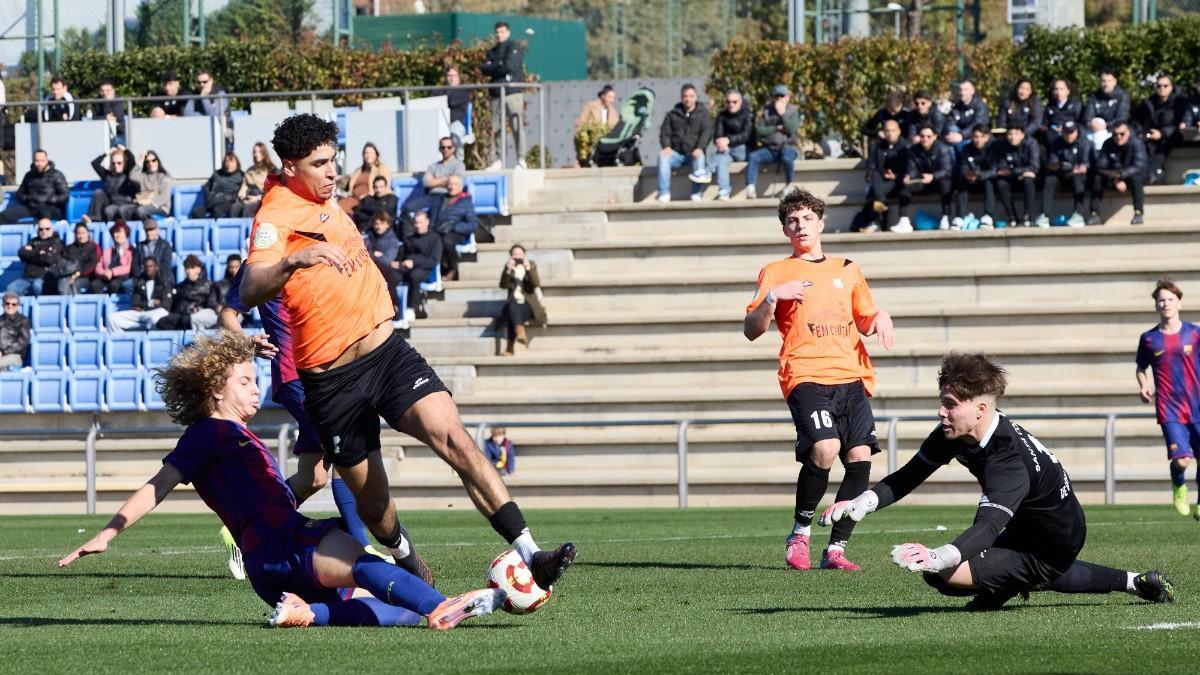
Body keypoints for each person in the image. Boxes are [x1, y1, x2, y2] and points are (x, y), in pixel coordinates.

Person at [238, 114, 575, 590]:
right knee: (376, 509)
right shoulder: (274, 215)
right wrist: (293, 260)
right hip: (331, 383)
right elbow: (251, 287)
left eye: (335, 160)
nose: (333, 172)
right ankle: (405, 555)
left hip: (387, 354)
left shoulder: (325, 196)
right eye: (320, 164)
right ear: (290, 167)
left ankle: (531, 552)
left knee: (455, 439)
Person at [58, 330, 504, 630]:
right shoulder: (209, 433)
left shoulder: (233, 435)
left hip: (265, 569)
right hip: (286, 542)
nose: (257, 389)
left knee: (394, 609)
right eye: (246, 381)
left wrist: (242, 345)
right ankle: (442, 607)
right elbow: (160, 483)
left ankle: (307, 612)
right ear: (216, 391)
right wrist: (109, 531)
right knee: (372, 565)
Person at [819, 352, 1176, 611]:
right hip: (1029, 522)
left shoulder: (1008, 459)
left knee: (943, 574)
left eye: (950, 403)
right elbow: (910, 475)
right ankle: (1136, 582)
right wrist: (861, 504)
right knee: (978, 567)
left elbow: (988, 527)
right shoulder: (955, 431)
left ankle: (1006, 584)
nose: (942, 411)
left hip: (1055, 538)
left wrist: (936, 556)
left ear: (980, 409)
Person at [743, 187, 894, 572]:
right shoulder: (776, 272)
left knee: (860, 458)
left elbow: (864, 319)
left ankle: (836, 550)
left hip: (852, 375)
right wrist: (772, 298)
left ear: (821, 223)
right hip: (806, 374)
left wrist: (880, 318)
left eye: (807, 218)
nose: (800, 225)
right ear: (784, 230)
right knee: (826, 449)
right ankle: (800, 534)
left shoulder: (847, 268)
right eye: (792, 220)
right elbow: (751, 329)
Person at [218, 258, 390, 582]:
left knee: (313, 477)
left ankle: (243, 532)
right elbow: (227, 313)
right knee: (345, 450)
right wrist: (246, 343)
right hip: (296, 375)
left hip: (328, 374)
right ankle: (363, 548)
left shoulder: (322, 258)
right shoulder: (260, 264)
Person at [1135, 279, 1200, 519]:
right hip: (1169, 407)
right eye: (1161, 300)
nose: (1166, 304)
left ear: (1179, 303)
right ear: (1156, 305)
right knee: (1182, 460)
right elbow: (1141, 368)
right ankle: (1179, 484)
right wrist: (1144, 386)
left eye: (1170, 299)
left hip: (1197, 404)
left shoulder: (1194, 333)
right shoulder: (1150, 338)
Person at [657, 83, 713, 203]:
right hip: (676, 154)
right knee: (663, 156)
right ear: (681, 97)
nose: (688, 99)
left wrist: (700, 148)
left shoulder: (703, 114)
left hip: (693, 154)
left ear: (696, 97)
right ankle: (664, 193)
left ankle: (696, 193)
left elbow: (707, 133)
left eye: (691, 96)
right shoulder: (672, 114)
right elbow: (665, 132)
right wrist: (666, 146)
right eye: (685, 96)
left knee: (700, 157)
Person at [482, 21, 527, 170]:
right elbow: (485, 68)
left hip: (512, 93)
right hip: (496, 93)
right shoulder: (492, 51)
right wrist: (499, 65)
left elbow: (510, 65)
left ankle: (521, 159)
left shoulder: (514, 47)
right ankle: (499, 159)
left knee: (516, 125)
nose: (499, 35)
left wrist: (496, 66)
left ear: (508, 32)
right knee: (497, 128)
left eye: (502, 32)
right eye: (497, 32)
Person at [746, 85, 800, 201]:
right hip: (770, 148)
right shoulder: (767, 111)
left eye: (782, 96)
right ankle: (750, 187)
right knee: (753, 156)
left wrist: (782, 114)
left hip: (788, 147)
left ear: (787, 97)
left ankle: (790, 185)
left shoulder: (793, 111)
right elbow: (760, 131)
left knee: (787, 158)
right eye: (776, 96)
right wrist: (776, 128)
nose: (779, 98)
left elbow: (791, 129)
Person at [896, 124, 954, 232]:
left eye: (928, 136)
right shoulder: (913, 151)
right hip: (921, 181)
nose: (925, 139)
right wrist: (909, 176)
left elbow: (947, 170)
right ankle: (903, 220)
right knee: (905, 186)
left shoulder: (942, 149)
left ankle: (945, 217)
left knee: (946, 183)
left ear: (935, 136)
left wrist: (933, 176)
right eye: (922, 136)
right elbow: (911, 168)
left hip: (937, 181)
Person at [1089, 120, 1147, 225]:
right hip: (1114, 176)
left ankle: (1138, 212)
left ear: (1128, 132)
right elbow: (1101, 166)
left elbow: (1138, 166)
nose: (1118, 137)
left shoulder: (1137, 143)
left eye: (1122, 134)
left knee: (1136, 178)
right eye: (1115, 134)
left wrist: (1121, 176)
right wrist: (1115, 179)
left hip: (1131, 175)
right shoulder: (1108, 143)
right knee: (1097, 178)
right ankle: (1094, 214)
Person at [496, 244, 546, 356]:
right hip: (514, 304)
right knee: (512, 307)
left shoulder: (531, 265)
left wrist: (528, 268)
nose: (517, 257)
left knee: (512, 309)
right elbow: (503, 285)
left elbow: (535, 283)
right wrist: (508, 271)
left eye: (519, 254)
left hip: (528, 305)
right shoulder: (509, 267)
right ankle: (520, 332)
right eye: (514, 254)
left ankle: (510, 347)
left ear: (524, 255)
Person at [1134, 75, 1185, 185]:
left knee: (1161, 147)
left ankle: (1155, 174)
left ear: (1171, 87)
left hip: (1171, 136)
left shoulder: (1179, 102)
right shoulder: (1149, 103)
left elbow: (1180, 124)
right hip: (1150, 136)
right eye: (1158, 85)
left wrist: (1162, 134)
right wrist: (1140, 132)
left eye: (1165, 85)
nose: (1162, 88)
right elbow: (1137, 121)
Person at [859, 118, 907, 232]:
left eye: (893, 130)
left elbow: (909, 168)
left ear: (898, 131)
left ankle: (876, 222)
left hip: (897, 182)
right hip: (880, 181)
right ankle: (879, 218)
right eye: (887, 131)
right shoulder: (878, 146)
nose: (890, 134)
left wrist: (895, 176)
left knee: (874, 193)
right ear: (883, 132)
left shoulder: (905, 147)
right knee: (875, 178)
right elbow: (871, 165)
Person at [402, 137, 465, 223]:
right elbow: (426, 182)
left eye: (449, 147)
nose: (446, 150)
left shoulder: (459, 165)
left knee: (435, 214)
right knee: (407, 208)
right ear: (439, 149)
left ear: (453, 149)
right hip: (431, 196)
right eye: (443, 147)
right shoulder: (433, 166)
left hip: (447, 197)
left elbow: (456, 183)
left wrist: (435, 181)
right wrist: (446, 180)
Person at [991, 125, 1041, 228]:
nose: (1012, 137)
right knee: (1001, 184)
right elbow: (1001, 168)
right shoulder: (1002, 146)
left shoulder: (1031, 144)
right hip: (1012, 177)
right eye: (1010, 134)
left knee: (1028, 180)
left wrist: (1015, 171)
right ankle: (1012, 217)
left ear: (1022, 134)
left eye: (1016, 134)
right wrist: (1017, 172)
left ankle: (1028, 216)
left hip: (1029, 178)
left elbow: (1034, 167)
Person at [1042, 120, 1089, 227]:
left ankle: (1078, 214)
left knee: (1079, 178)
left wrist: (1074, 169)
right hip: (1062, 175)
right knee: (1050, 179)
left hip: (1078, 176)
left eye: (1071, 132)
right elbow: (1053, 163)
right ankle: (1045, 215)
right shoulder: (1056, 143)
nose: (1068, 135)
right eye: (1066, 132)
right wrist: (1058, 166)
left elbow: (1084, 166)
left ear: (1076, 132)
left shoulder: (1084, 143)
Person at [0, 149, 68, 223]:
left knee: (44, 215)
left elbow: (65, 195)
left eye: (42, 161)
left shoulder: (57, 175)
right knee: (4, 215)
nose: (39, 164)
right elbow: (20, 193)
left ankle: (45, 233)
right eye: (37, 161)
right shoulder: (29, 175)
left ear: (47, 161)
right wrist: (28, 199)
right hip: (31, 207)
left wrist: (49, 199)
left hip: (50, 207)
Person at [952, 125, 998, 230]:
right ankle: (959, 217)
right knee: (962, 184)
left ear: (987, 137)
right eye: (975, 137)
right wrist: (967, 174)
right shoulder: (966, 149)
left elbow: (995, 169)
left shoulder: (994, 148)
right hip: (972, 180)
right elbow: (963, 166)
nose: (978, 140)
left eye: (981, 137)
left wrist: (980, 175)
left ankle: (988, 215)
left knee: (989, 182)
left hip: (987, 179)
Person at [433, 174, 478, 281]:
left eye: (455, 184)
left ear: (461, 187)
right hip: (438, 230)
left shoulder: (466, 202)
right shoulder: (440, 199)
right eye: (450, 184)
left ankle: (452, 268)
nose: (452, 187)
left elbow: (473, 224)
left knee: (447, 241)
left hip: (456, 233)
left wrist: (454, 227)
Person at [399, 210, 442, 322]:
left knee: (415, 276)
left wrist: (414, 262)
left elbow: (433, 261)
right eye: (416, 223)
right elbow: (403, 255)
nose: (418, 226)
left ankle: (412, 308)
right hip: (408, 267)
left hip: (426, 268)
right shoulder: (410, 239)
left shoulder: (435, 239)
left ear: (427, 222)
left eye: (421, 222)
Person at [109, 256, 173, 330]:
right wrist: (151, 303)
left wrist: (146, 305)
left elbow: (166, 304)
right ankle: (123, 340)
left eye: (151, 266)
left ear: (156, 267)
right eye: (146, 266)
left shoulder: (165, 281)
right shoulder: (139, 281)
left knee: (155, 318)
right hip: (141, 312)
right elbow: (135, 302)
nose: (148, 269)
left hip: (156, 312)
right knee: (112, 318)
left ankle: (150, 340)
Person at [155, 255, 218, 331]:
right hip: (179, 317)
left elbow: (211, 304)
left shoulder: (209, 286)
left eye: (191, 268)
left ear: (198, 269)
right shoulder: (180, 286)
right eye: (186, 268)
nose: (188, 271)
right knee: (161, 322)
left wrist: (198, 309)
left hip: (194, 317)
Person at [711, 89, 753, 201]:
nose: (731, 104)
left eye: (735, 102)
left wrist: (728, 140)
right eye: (728, 102)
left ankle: (707, 170)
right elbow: (717, 136)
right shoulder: (722, 115)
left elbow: (746, 136)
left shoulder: (747, 115)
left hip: (744, 151)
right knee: (721, 159)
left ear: (740, 101)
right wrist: (721, 143)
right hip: (726, 151)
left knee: (725, 152)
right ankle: (724, 191)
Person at [6, 218, 63, 297]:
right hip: (27, 278)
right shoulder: (33, 241)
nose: (44, 231)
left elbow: (48, 259)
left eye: (47, 229)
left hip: (43, 278)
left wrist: (31, 254)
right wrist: (38, 253)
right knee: (11, 290)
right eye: (41, 229)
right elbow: (21, 253)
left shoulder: (56, 242)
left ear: (51, 229)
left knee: (37, 286)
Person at [364, 211, 403, 320]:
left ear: (387, 225)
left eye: (381, 223)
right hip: (372, 270)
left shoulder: (392, 240)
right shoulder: (369, 237)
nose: (378, 227)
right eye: (376, 224)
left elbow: (388, 260)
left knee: (388, 278)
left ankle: (394, 306)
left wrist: (375, 255)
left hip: (389, 272)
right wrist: (377, 255)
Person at [85, 146, 138, 223]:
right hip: (112, 203)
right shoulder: (107, 175)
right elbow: (95, 163)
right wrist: (107, 153)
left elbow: (131, 160)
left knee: (118, 210)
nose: (116, 165)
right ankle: (94, 220)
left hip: (127, 204)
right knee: (99, 193)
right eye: (114, 163)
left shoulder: (128, 173)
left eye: (119, 163)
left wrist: (125, 150)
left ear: (124, 163)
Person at [339, 142, 391, 216]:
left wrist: (368, 195)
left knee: (345, 211)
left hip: (368, 201)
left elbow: (385, 187)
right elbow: (349, 185)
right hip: (352, 198)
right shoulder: (358, 170)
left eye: (371, 153)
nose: (368, 155)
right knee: (337, 207)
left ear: (376, 155)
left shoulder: (381, 168)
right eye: (366, 153)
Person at [575, 84, 619, 165]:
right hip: (591, 146)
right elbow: (581, 124)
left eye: (613, 98)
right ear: (603, 96)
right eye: (609, 97)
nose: (612, 100)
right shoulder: (590, 106)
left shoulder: (613, 112)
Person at [191, 152, 244, 219]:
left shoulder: (241, 176)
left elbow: (241, 193)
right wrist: (209, 197)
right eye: (226, 161)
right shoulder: (217, 174)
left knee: (217, 211)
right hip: (212, 201)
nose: (228, 164)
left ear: (237, 163)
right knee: (196, 213)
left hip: (228, 202)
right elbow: (206, 187)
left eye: (231, 161)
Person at [231, 142, 276, 219]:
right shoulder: (250, 170)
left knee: (248, 208)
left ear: (264, 153)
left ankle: (248, 230)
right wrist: (242, 196)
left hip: (262, 198)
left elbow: (273, 190)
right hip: (248, 197)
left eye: (259, 152)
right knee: (235, 207)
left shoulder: (272, 170)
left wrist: (258, 198)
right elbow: (244, 186)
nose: (256, 154)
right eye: (255, 152)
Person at [1083, 69, 1131, 138]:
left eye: (1109, 81)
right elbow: (1087, 116)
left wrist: (1105, 125)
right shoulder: (1093, 96)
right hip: (1093, 129)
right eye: (1103, 81)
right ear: (1099, 81)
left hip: (1113, 131)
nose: (1106, 84)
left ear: (1115, 81)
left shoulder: (1122, 96)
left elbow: (1122, 118)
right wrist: (1091, 124)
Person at [438, 66, 473, 160]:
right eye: (449, 75)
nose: (452, 78)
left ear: (458, 77)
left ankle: (458, 163)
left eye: (454, 75)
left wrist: (445, 97)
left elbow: (451, 101)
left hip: (457, 122)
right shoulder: (440, 90)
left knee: (455, 136)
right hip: (440, 123)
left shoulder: (463, 91)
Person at [90, 221, 134, 295]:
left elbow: (128, 267)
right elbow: (99, 265)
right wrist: (104, 273)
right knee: (94, 284)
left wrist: (113, 272)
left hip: (122, 277)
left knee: (114, 285)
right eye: (115, 232)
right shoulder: (107, 251)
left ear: (126, 234)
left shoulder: (131, 250)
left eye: (120, 232)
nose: (117, 235)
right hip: (106, 276)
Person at [58, 221, 101, 295]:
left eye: (83, 233)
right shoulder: (69, 248)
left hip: (86, 277)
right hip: (69, 275)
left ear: (88, 233)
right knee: (62, 285)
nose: (81, 236)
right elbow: (63, 262)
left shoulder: (93, 247)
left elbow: (93, 264)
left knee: (73, 284)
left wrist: (78, 273)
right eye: (78, 233)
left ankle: (76, 305)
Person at [944, 80, 989, 147]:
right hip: (957, 137)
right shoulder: (956, 106)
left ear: (972, 91)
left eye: (966, 90)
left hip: (974, 137)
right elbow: (950, 121)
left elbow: (978, 124)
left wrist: (962, 135)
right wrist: (953, 135)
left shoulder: (980, 106)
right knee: (950, 136)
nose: (962, 93)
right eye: (960, 90)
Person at [128, 150, 172, 220]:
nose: (151, 163)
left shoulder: (164, 176)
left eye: (153, 160)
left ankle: (149, 228)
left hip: (160, 207)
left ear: (158, 161)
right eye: (147, 162)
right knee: (126, 211)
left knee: (141, 211)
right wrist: (140, 162)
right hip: (144, 204)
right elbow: (132, 177)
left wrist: (149, 202)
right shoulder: (143, 176)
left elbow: (164, 197)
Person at [1042, 79, 1083, 147]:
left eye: (1061, 89)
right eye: (1056, 89)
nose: (1058, 92)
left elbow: (1080, 123)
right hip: (1053, 136)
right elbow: (1045, 124)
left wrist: (1065, 129)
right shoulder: (1050, 106)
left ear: (1068, 91)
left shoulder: (1076, 104)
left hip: (1070, 134)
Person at [91, 79, 127, 146]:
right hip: (100, 134)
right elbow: (94, 119)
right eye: (102, 91)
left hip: (117, 133)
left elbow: (116, 118)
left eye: (108, 90)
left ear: (113, 90)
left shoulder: (118, 101)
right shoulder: (96, 102)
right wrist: (105, 117)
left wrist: (107, 102)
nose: (105, 93)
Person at [0, 292, 30, 371]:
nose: (10, 306)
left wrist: (3, 352)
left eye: (14, 304)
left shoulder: (23, 321)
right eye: (7, 303)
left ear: (18, 306)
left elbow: (22, 342)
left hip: (15, 356)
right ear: (3, 304)